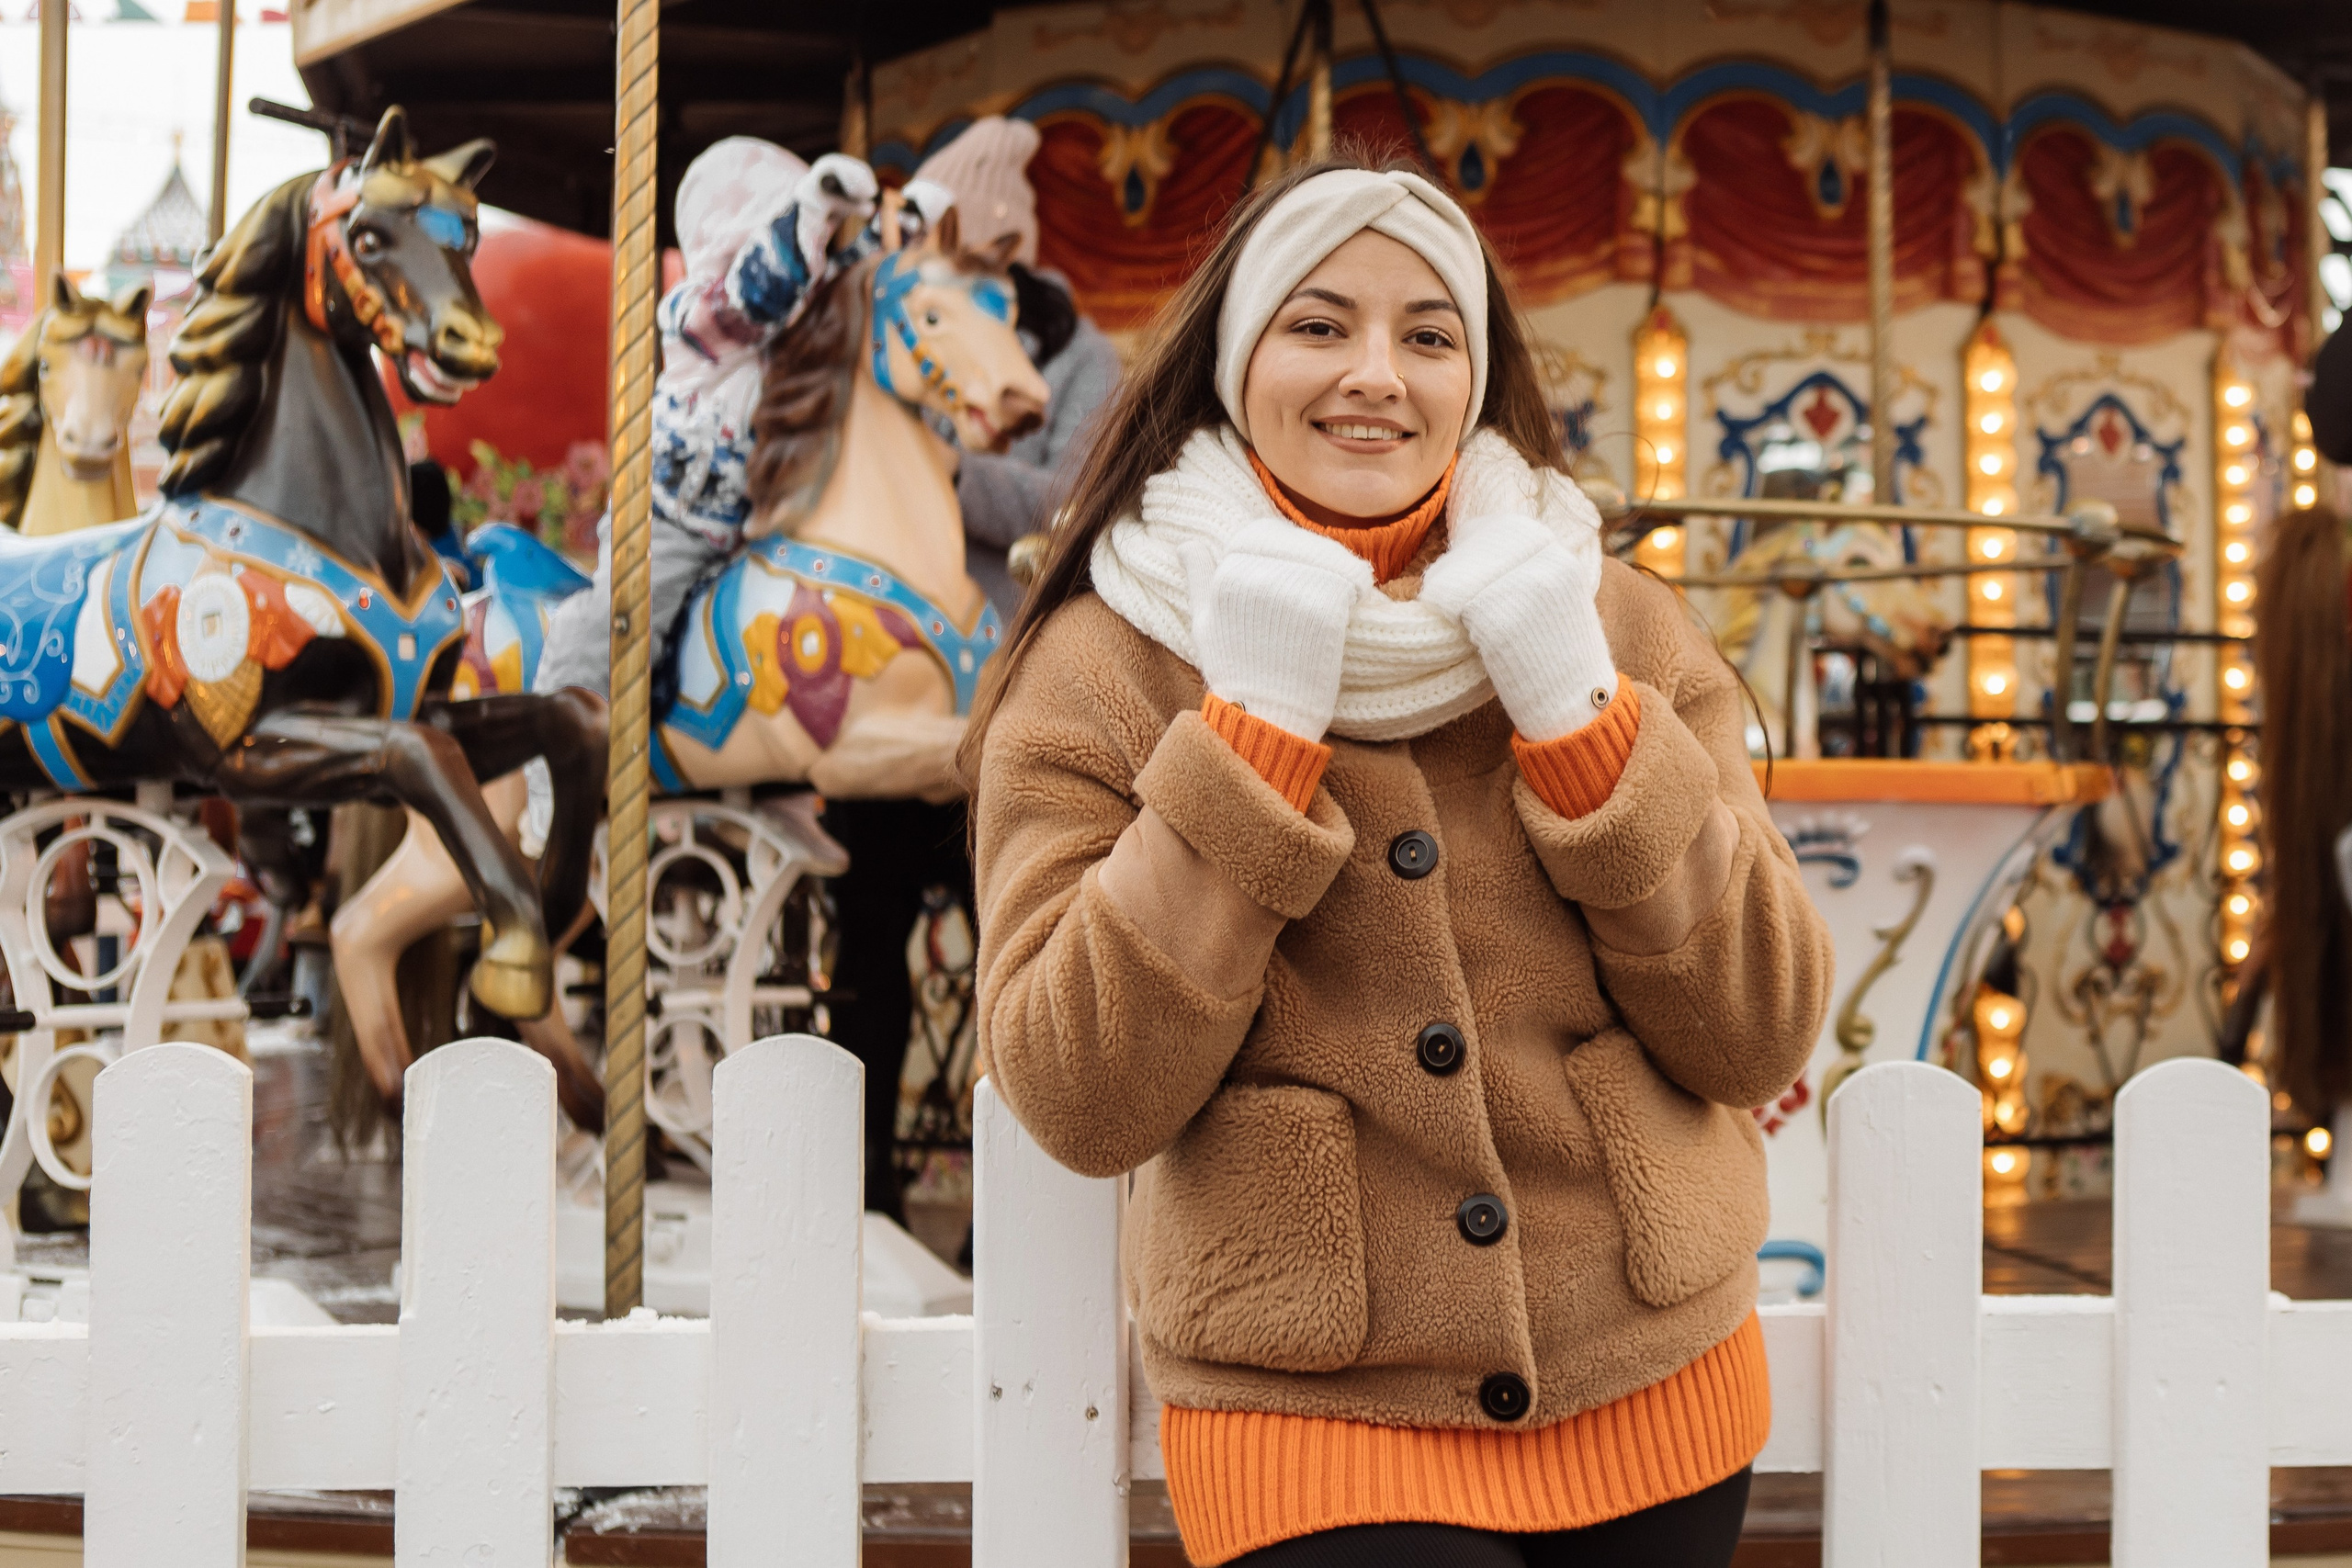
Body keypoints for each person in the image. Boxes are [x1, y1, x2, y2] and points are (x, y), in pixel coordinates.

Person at [963, 153, 1832, 1567]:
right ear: (1237, 355)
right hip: (1314, 1414)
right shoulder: (1102, 662)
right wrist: (1246, 739)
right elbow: (1078, 1088)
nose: (1376, 372)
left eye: (1429, 334)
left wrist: (1579, 710)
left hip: (1649, 1373)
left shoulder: (1622, 623)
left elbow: (1758, 1028)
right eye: (1319, 324)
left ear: (1474, 379)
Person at [535, 140, 944, 695]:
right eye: (776, 229)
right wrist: (814, 210)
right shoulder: (695, 316)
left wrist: (901, 230)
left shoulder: (798, 313)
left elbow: (846, 286)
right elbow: (755, 298)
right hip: (677, 519)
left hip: (768, 518)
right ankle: (562, 739)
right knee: (621, 619)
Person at [912, 116, 1124, 622]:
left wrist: (954, 471)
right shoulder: (915, 336)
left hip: (1000, 623)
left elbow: (1079, 503)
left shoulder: (1083, 359)